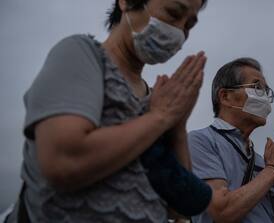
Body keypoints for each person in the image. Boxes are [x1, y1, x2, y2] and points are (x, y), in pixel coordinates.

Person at [5, 0, 211, 222]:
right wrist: (160, 118)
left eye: (189, 25)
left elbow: (179, 208)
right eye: (173, 13)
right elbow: (63, 161)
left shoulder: (158, 102)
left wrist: (177, 126)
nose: (179, 32)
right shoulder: (80, 53)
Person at [188, 58, 274, 223]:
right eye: (256, 87)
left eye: (266, 90)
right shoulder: (200, 141)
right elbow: (222, 212)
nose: (264, 96)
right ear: (225, 96)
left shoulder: (264, 160)